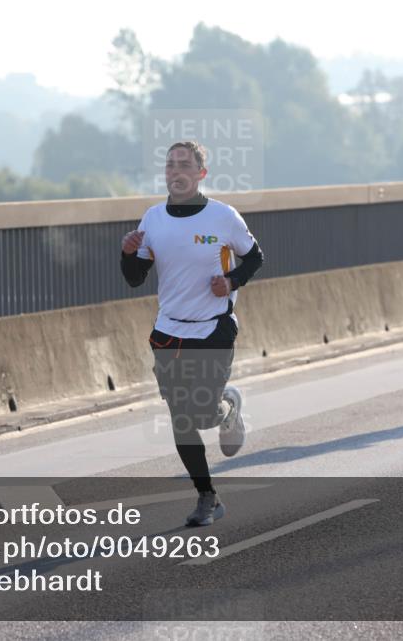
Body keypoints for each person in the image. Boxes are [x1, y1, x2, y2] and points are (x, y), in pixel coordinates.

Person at [120, 141, 264, 526]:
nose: (176, 172)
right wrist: (128, 253)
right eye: (170, 166)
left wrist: (232, 280)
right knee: (182, 418)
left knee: (202, 415)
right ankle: (207, 498)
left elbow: (255, 257)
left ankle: (227, 407)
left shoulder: (223, 217)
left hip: (214, 328)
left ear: (201, 173)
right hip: (168, 333)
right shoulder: (153, 219)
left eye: (185, 165)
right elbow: (135, 279)